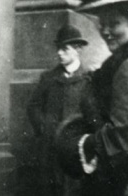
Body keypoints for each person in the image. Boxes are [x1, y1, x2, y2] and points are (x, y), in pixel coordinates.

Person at [56, 0, 128, 196]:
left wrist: (82, 145)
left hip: (119, 181)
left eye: (115, 23)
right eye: (103, 23)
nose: (105, 31)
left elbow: (124, 137)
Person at [27, 24, 92, 196]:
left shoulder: (89, 78)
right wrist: (44, 127)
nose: (59, 53)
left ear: (78, 49)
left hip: (76, 146)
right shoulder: (48, 78)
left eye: (65, 49)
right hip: (50, 146)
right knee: (50, 187)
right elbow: (33, 106)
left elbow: (94, 113)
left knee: (74, 187)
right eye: (58, 49)